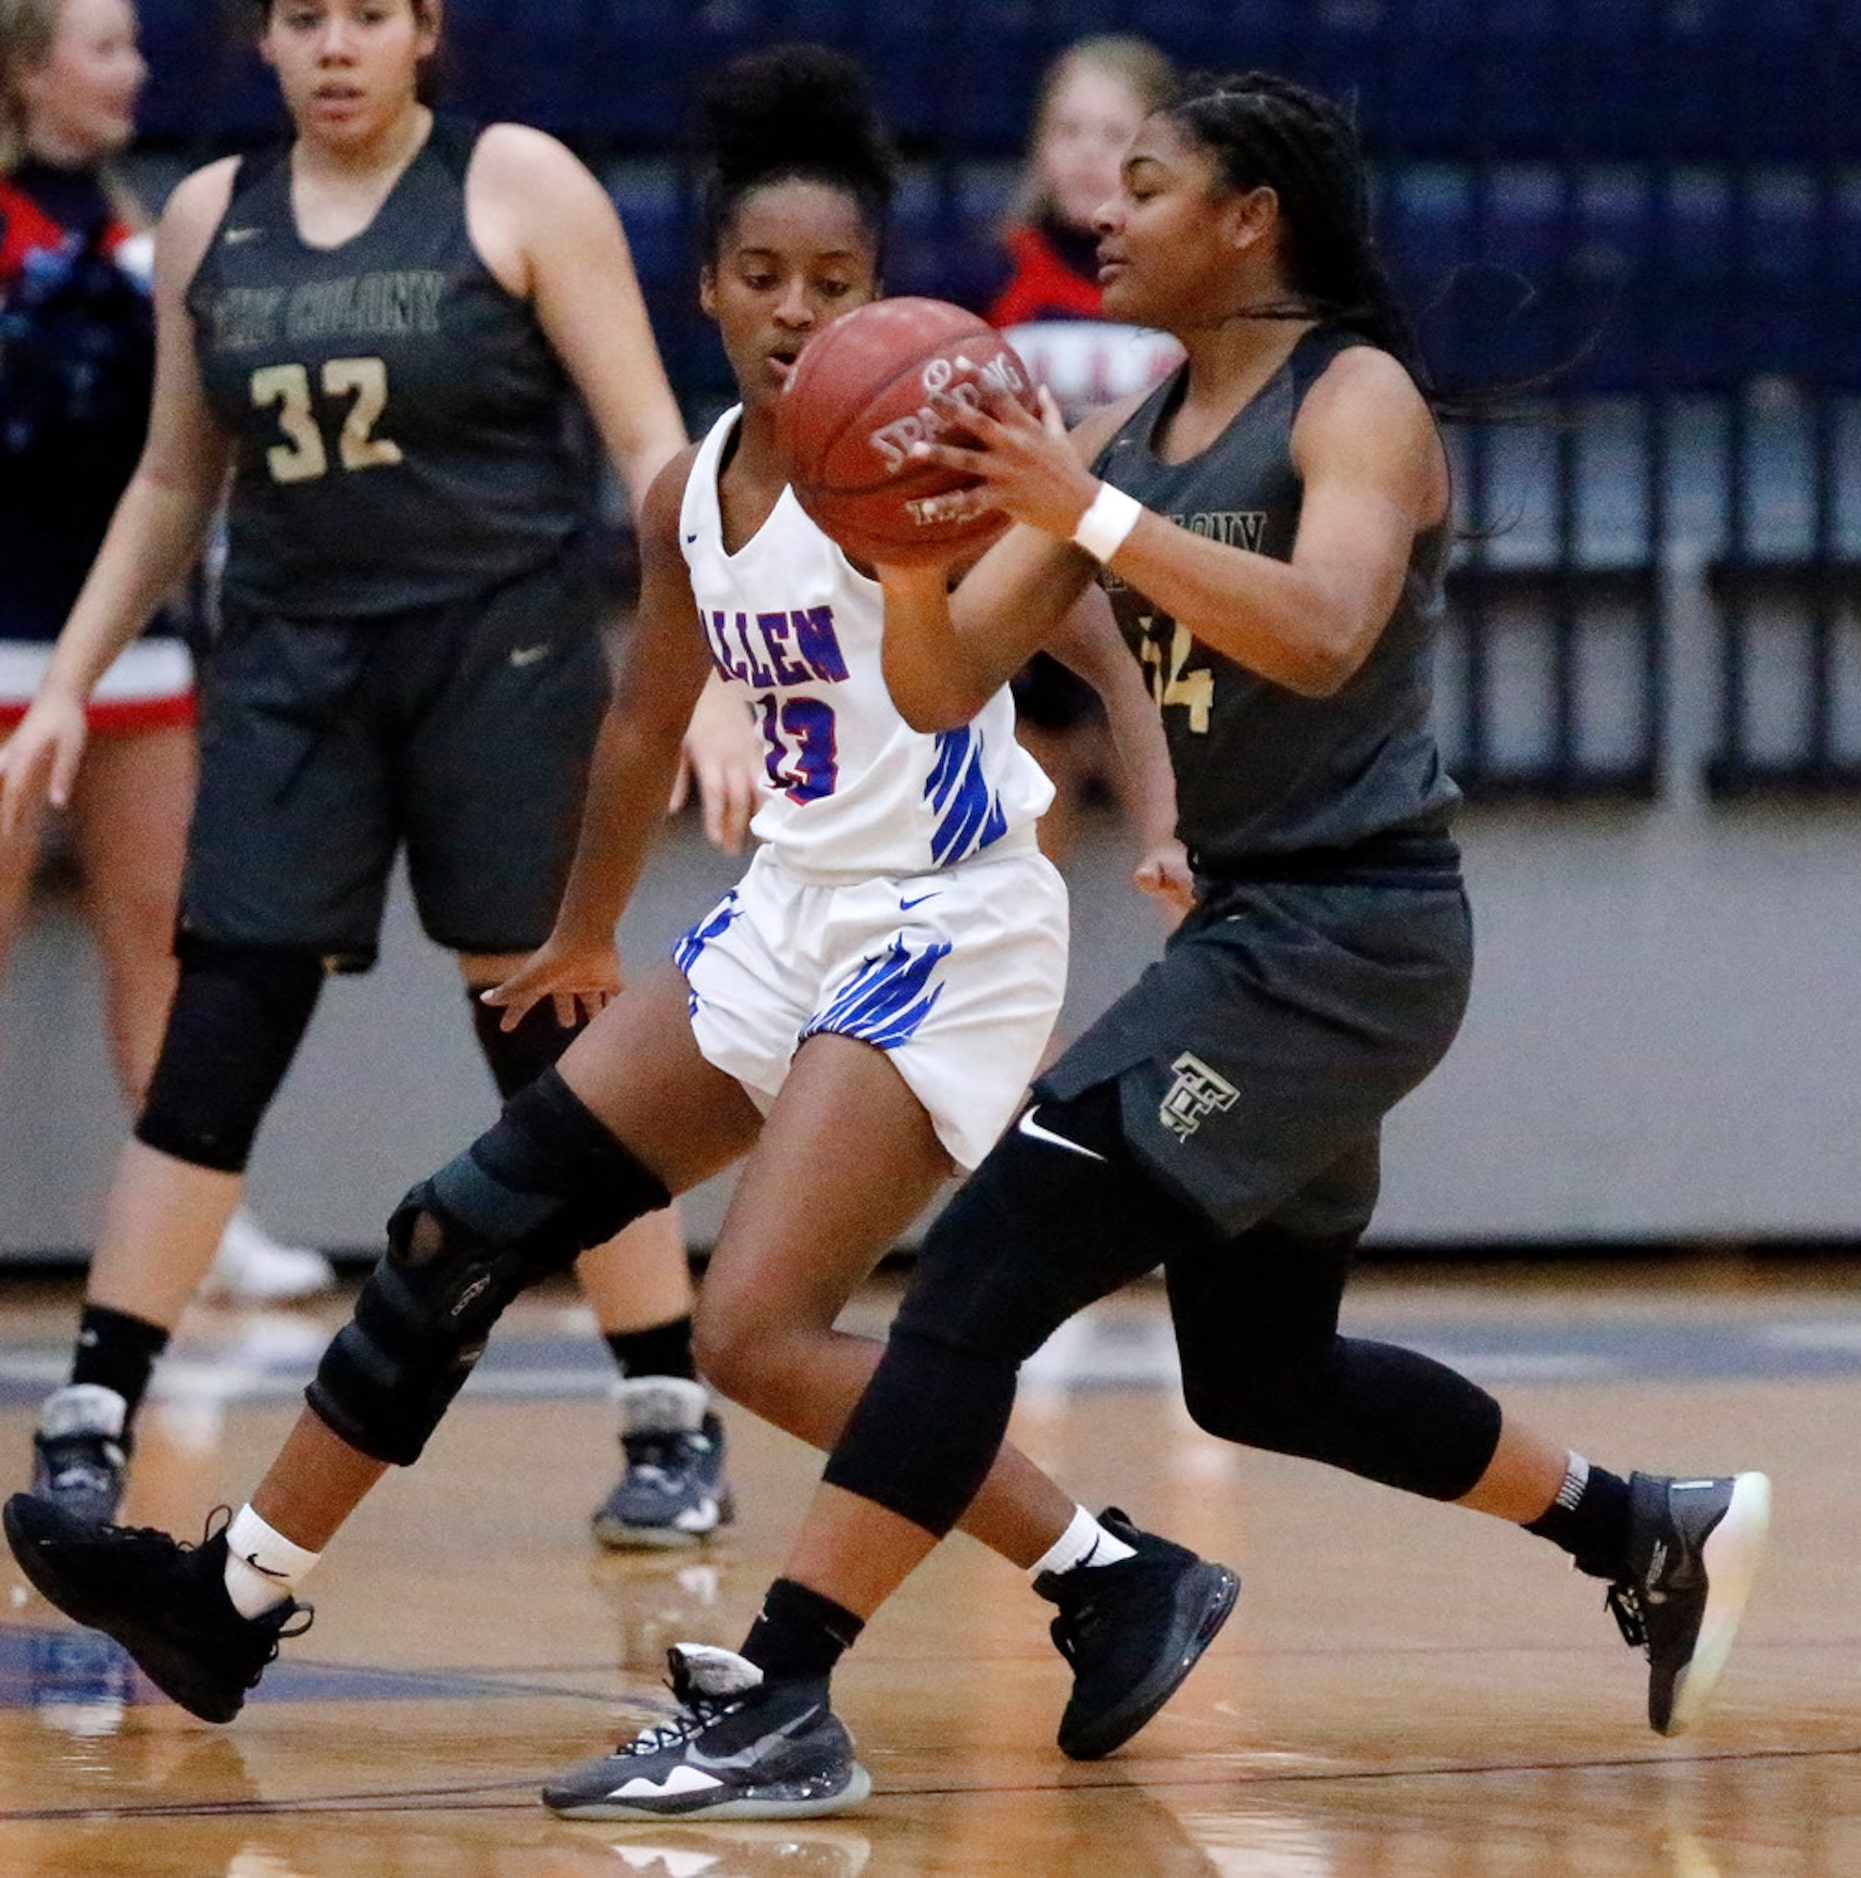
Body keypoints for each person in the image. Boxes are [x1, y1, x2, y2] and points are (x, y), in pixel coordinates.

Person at [510, 70, 1766, 1817]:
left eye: (1149, 183)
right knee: (1261, 1369)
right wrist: (923, 531)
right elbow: (942, 686)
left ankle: (783, 1692)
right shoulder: (1140, 427)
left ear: (1249, 220)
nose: (1104, 208)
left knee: (979, 1271)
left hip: (1350, 932)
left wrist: (1076, 508)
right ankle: (1640, 1524)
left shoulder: (1361, 400)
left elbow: (1324, 630)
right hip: (1271, 931)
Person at [0, 44, 1233, 1799]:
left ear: (876, 289)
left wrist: (1165, 820)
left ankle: (1087, 1582)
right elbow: (646, 720)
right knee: (461, 1226)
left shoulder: (937, 446)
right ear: (709, 290)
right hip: (789, 903)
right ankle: (230, 1597)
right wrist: (579, 938)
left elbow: (1090, 626)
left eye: (833, 283)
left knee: (753, 1330)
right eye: (761, 280)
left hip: (948, 921)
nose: (798, 315)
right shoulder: (692, 485)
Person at [0, 0, 750, 1547]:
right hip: (293, 668)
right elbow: (168, 474)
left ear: (423, 35)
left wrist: (719, 671)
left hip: (502, 657)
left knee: (549, 1048)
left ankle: (666, 1408)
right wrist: (70, 677)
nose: (333, 46)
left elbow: (648, 445)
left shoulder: (521, 184)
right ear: (264, 44)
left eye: (366, 15)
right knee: (219, 1029)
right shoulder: (213, 214)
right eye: (301, 19)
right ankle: (93, 1409)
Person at [0, 0, 333, 1303]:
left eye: (136, 47)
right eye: (104, 48)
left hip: (139, 642)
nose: (131, 70)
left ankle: (194, 1223)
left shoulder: (148, 225)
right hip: (6, 641)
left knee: (166, 938)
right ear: (31, 69)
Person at [983, 34, 1182, 870]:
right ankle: (1032, 982)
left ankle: (1201, 948)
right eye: (1069, 132)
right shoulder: (989, 277)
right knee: (1033, 777)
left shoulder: (1184, 281)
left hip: (1167, 559)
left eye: (1113, 135)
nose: (1088, 154)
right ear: (1038, 146)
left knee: (1178, 784)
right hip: (1039, 566)